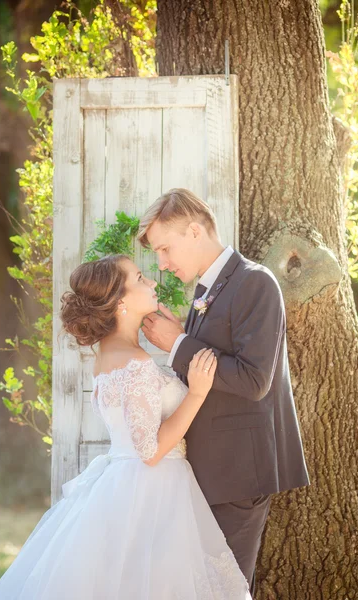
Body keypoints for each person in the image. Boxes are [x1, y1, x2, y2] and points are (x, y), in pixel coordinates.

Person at [0, 254, 252, 599]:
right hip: (154, 490)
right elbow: (151, 451)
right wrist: (197, 393)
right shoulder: (134, 362)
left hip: (127, 484)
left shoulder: (109, 353)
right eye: (141, 278)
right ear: (120, 301)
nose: (153, 282)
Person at [138, 188, 310, 597]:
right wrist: (182, 336)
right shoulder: (206, 289)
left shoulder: (255, 282)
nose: (161, 264)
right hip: (209, 470)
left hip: (236, 474)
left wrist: (178, 345)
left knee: (225, 590)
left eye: (165, 249)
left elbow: (254, 380)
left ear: (195, 231)